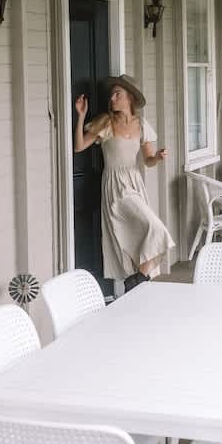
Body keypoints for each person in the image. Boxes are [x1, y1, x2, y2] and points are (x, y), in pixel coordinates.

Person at [74, 75, 175, 292]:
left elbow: (148, 161)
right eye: (111, 94)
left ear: (129, 98)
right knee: (151, 228)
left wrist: (157, 157)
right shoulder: (105, 122)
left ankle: (137, 281)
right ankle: (138, 281)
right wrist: (81, 116)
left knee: (143, 233)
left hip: (135, 183)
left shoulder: (142, 125)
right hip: (115, 186)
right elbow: (79, 146)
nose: (112, 98)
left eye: (117, 94)